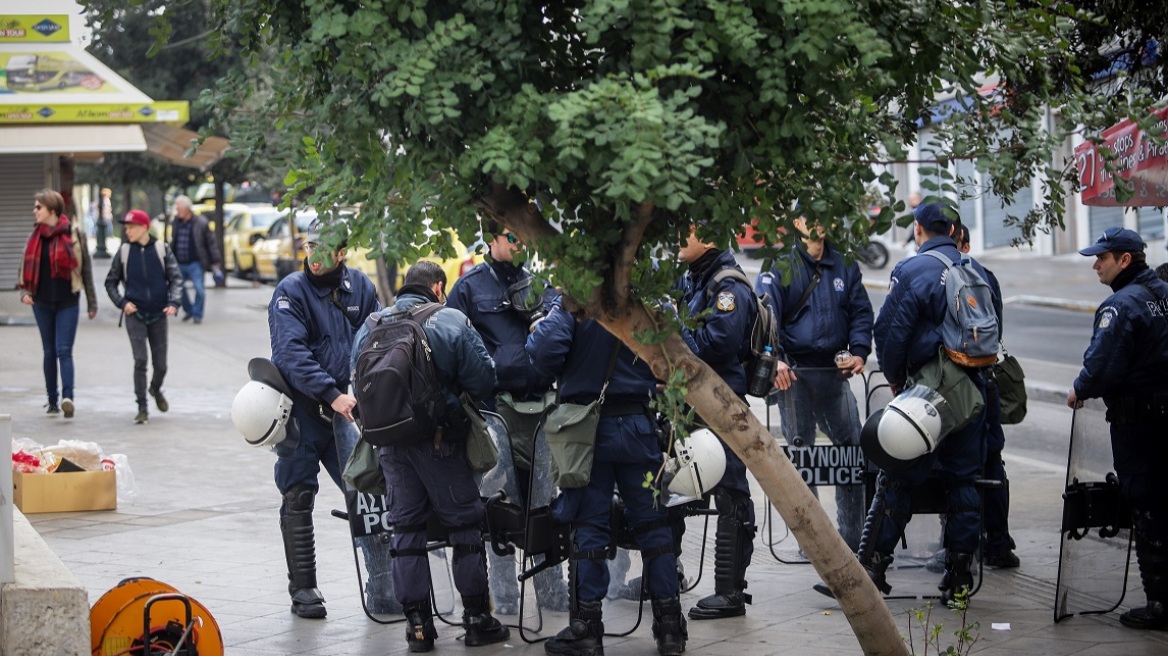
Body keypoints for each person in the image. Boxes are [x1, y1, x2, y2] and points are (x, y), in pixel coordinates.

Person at [351, 261, 509, 652]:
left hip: (390, 448)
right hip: (442, 444)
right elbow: (484, 378)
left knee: (405, 531)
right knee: (465, 528)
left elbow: (354, 380)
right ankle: (476, 619)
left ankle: (418, 628)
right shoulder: (449, 320)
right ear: (438, 287)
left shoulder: (370, 327)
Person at [528, 295, 686, 656]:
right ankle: (670, 629)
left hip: (587, 431)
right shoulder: (651, 297)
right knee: (654, 525)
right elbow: (681, 357)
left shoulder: (576, 297)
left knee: (589, 526)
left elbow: (542, 354)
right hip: (637, 424)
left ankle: (587, 628)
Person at [863, 203, 991, 602]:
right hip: (970, 393)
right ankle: (959, 578)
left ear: (918, 229)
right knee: (963, 480)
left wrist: (897, 379)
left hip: (926, 393)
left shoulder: (912, 270)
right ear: (953, 229)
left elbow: (890, 333)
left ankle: (873, 570)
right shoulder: (978, 271)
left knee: (899, 471)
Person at [445, 221, 569, 613]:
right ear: (493, 239)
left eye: (524, 237)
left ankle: (552, 595)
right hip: (495, 411)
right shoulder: (468, 287)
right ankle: (505, 600)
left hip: (542, 408)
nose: (520, 244)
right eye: (513, 237)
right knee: (498, 508)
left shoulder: (541, 282)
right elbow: (452, 344)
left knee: (545, 504)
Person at [268, 221, 381, 619]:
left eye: (324, 247)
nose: (314, 255)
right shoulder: (290, 292)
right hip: (304, 410)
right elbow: (290, 354)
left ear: (341, 252)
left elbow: (378, 341)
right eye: (310, 245)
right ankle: (303, 589)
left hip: (348, 412)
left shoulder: (362, 288)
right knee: (298, 495)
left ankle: (384, 588)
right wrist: (330, 393)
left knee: (370, 494)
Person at [1067, 227, 1168, 630]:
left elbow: (1101, 368)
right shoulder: (1164, 293)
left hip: (1139, 423)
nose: (1096, 265)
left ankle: (1159, 602)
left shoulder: (1121, 307)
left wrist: (1079, 389)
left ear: (1125, 260)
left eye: (1102, 258)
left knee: (1146, 506)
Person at [755, 213, 873, 552]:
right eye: (809, 215)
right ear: (795, 222)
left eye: (823, 213)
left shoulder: (844, 264)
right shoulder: (780, 264)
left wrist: (860, 351)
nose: (818, 221)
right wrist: (773, 358)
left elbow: (861, 312)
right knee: (801, 456)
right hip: (794, 375)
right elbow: (765, 314)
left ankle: (852, 540)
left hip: (834, 374)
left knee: (852, 452)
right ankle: (816, 542)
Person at [673, 224, 759, 620]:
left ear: (707, 237)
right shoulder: (693, 279)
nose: (676, 240)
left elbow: (718, 344)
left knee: (729, 493)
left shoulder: (727, 286)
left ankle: (729, 591)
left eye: (683, 233)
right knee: (673, 485)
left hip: (722, 404)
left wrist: (675, 336)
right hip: (691, 404)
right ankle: (666, 574)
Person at [953, 224, 1018, 568]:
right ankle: (999, 543)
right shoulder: (985, 275)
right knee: (992, 461)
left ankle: (962, 547)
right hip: (987, 377)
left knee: (960, 466)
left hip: (956, 387)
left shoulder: (945, 274)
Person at [18, 189, 98, 418]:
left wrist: (92, 303)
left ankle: (68, 398)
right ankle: (51, 399)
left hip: (68, 301)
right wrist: (24, 292)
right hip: (41, 301)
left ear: (52, 210)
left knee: (64, 350)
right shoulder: (34, 236)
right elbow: (23, 269)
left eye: (38, 207)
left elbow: (86, 270)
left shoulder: (74, 234)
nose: (34, 211)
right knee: (49, 351)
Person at [103, 210, 183, 424]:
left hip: (158, 314)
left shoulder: (161, 249)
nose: (127, 230)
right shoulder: (124, 252)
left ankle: (155, 389)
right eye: (126, 227)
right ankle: (142, 408)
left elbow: (176, 278)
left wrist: (174, 303)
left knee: (161, 365)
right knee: (140, 361)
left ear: (144, 227)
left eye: (131, 226)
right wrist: (122, 303)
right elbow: (110, 282)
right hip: (135, 314)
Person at [170, 195, 221, 324]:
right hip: (179, 262)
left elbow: (210, 242)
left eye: (179, 208)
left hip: (196, 262)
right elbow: (174, 241)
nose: (177, 211)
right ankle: (190, 310)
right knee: (178, 288)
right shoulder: (176, 222)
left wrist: (215, 260)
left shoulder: (201, 222)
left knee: (199, 290)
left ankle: (197, 315)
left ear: (187, 208)